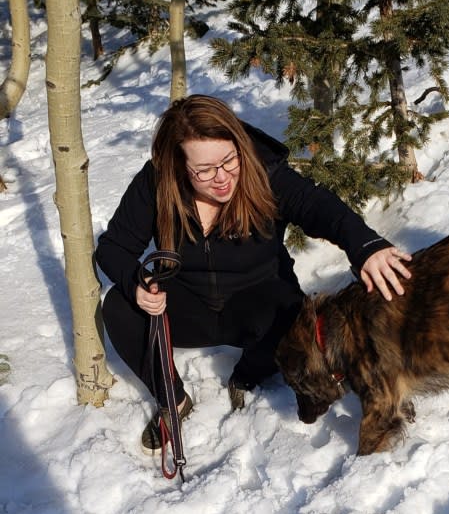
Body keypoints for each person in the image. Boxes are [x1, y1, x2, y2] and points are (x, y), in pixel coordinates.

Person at [96, 94, 412, 453]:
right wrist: (137, 284)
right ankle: (173, 398)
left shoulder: (262, 171)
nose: (222, 178)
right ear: (178, 165)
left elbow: (318, 206)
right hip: (186, 303)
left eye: (229, 161)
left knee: (293, 316)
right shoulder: (156, 183)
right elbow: (113, 247)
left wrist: (365, 245)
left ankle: (248, 374)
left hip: (258, 302)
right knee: (118, 307)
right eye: (204, 171)